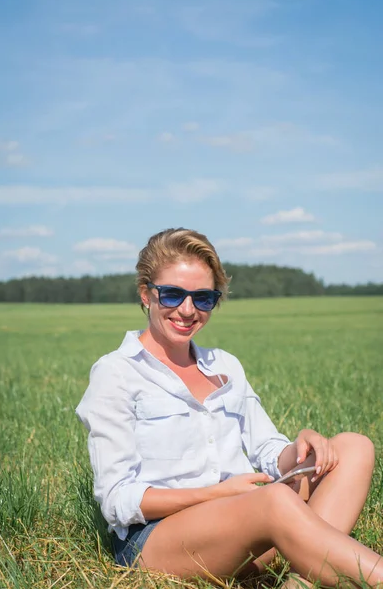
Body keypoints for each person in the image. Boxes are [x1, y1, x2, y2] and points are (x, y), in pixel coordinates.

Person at [76, 227, 382, 587]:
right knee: (273, 502)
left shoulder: (225, 365)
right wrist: (218, 494)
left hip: (240, 517)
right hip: (157, 539)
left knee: (353, 447)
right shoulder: (117, 372)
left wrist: (302, 446)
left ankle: (301, 580)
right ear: (146, 295)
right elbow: (117, 500)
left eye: (203, 298)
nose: (187, 310)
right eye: (173, 294)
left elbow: (268, 450)